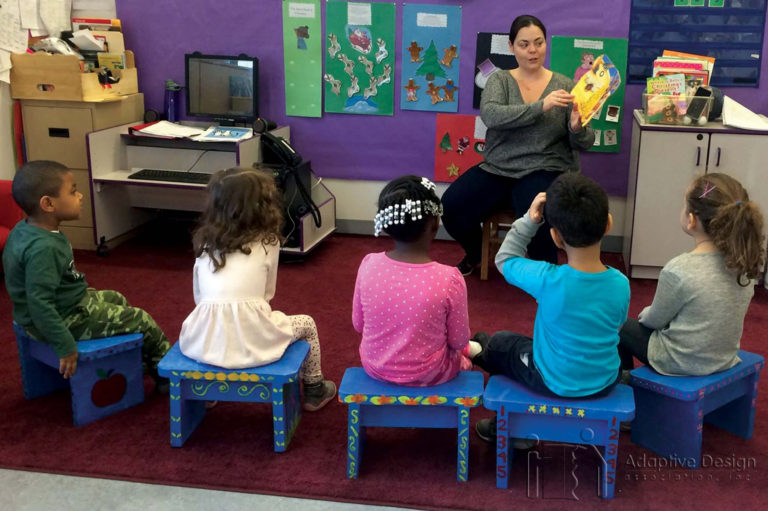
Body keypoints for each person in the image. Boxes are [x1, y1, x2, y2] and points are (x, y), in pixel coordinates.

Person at [472, 173, 630, 442]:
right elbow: (616, 326)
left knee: (500, 343)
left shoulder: (547, 279)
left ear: (556, 237)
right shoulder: (621, 283)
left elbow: (505, 258)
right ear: (608, 224)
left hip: (550, 379)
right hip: (605, 380)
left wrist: (529, 221)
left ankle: (507, 425)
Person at [441, 14, 595, 275]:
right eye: (524, 44)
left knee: (539, 216)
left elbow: (585, 142)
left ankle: (544, 274)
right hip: (498, 167)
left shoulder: (565, 85)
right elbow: (492, 116)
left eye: (538, 42)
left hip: (545, 167)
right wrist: (541, 106)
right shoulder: (499, 81)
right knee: (451, 207)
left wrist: (576, 128)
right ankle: (477, 252)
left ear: (546, 44)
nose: (532, 50)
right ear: (511, 47)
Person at [178, 167, 336, 411]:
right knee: (307, 324)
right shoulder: (267, 242)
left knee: (217, 334)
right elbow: (266, 295)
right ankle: (315, 388)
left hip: (202, 339)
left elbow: (199, 297)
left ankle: (206, 389)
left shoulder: (205, 243)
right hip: (254, 336)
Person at [2, 160, 171, 387]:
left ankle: (133, 360)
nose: (80, 196)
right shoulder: (44, 249)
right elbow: (40, 303)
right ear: (48, 204)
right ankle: (168, 380)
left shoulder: (25, 229)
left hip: (65, 304)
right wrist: (65, 345)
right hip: (63, 318)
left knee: (116, 297)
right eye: (73, 192)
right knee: (141, 319)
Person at [618, 173, 764, 378]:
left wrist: (645, 313)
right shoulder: (745, 262)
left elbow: (654, 321)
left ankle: (623, 381)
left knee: (619, 327)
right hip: (723, 357)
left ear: (692, 220)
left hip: (679, 361)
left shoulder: (679, 269)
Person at [352, 175, 479, 386]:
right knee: (463, 360)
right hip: (429, 373)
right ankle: (472, 352)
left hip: (375, 366)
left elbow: (358, 324)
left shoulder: (368, 264)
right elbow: (457, 340)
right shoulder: (450, 278)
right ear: (434, 224)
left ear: (385, 224)